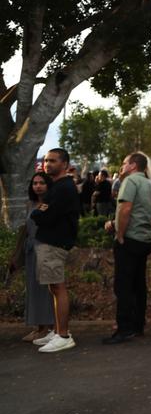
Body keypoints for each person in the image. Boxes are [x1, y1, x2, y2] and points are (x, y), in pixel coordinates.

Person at [103, 152, 151, 344]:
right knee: (139, 284)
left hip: (129, 239)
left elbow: (126, 209)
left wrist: (119, 234)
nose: (122, 165)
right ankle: (137, 325)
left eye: (124, 162)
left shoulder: (130, 182)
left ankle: (124, 328)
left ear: (133, 165)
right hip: (144, 239)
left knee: (124, 285)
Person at [31, 148, 80, 353]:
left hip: (54, 243)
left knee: (58, 288)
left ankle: (63, 335)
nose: (47, 164)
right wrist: (41, 212)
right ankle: (57, 330)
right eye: (46, 160)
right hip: (50, 242)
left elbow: (46, 216)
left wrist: (37, 213)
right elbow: (45, 212)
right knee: (53, 288)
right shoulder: (58, 186)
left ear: (65, 164)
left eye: (52, 161)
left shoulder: (63, 188)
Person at [12, 173, 55, 343]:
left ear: (48, 185)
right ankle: (38, 327)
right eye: (35, 183)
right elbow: (24, 230)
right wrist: (16, 254)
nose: (38, 186)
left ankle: (47, 328)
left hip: (45, 248)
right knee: (33, 289)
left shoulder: (51, 204)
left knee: (45, 289)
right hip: (30, 250)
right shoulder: (30, 204)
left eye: (42, 183)